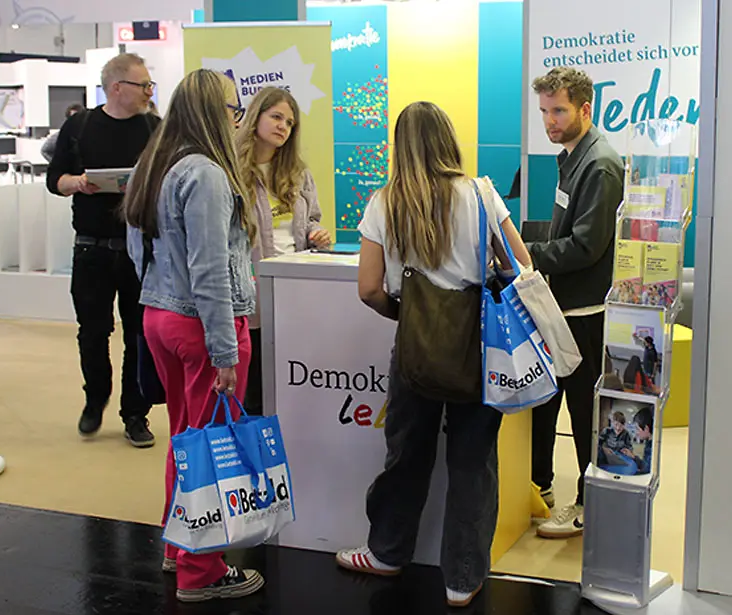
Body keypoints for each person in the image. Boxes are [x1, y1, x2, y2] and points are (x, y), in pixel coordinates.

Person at [335, 102, 533, 609]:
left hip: (415, 353)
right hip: (479, 351)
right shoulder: (482, 194)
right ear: (448, 138)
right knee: (473, 463)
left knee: (406, 454)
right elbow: (522, 265)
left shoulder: (385, 202)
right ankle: (462, 580)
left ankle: (386, 552)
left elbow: (368, 289)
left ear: (399, 146)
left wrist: (408, 317)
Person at [122, 68, 264, 603]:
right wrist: (225, 349)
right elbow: (210, 269)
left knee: (187, 438)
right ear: (213, 113)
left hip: (160, 316)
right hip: (203, 326)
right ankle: (201, 571)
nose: (238, 118)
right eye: (233, 108)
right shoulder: (205, 173)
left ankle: (178, 544)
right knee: (212, 446)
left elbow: (137, 250)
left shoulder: (154, 164)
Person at [526, 67, 624, 539]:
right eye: (545, 111)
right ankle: (538, 486)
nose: (550, 121)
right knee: (545, 404)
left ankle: (590, 504)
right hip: (560, 306)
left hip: (584, 313)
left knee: (584, 412)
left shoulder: (600, 164)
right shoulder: (572, 155)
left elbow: (586, 246)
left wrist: (528, 253)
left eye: (559, 111)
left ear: (585, 108)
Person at [46, 53, 160, 447]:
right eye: (143, 85)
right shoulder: (79, 127)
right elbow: (54, 180)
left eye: (150, 85)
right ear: (116, 88)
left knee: (139, 334)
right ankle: (95, 398)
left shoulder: (155, 129)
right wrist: (77, 183)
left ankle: (135, 414)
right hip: (91, 249)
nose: (149, 92)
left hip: (140, 250)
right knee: (93, 331)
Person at [236, 87, 330, 416]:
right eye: (276, 117)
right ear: (255, 117)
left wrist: (316, 233)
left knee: (290, 374)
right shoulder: (232, 171)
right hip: (251, 289)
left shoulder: (298, 173)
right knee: (254, 381)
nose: (283, 127)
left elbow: (311, 219)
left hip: (292, 287)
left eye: (289, 123)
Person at [632, 406, 653, 475]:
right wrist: (633, 457)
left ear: (646, 429)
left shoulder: (652, 449)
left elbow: (646, 472)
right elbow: (645, 465)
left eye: (637, 429)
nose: (636, 433)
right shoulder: (648, 443)